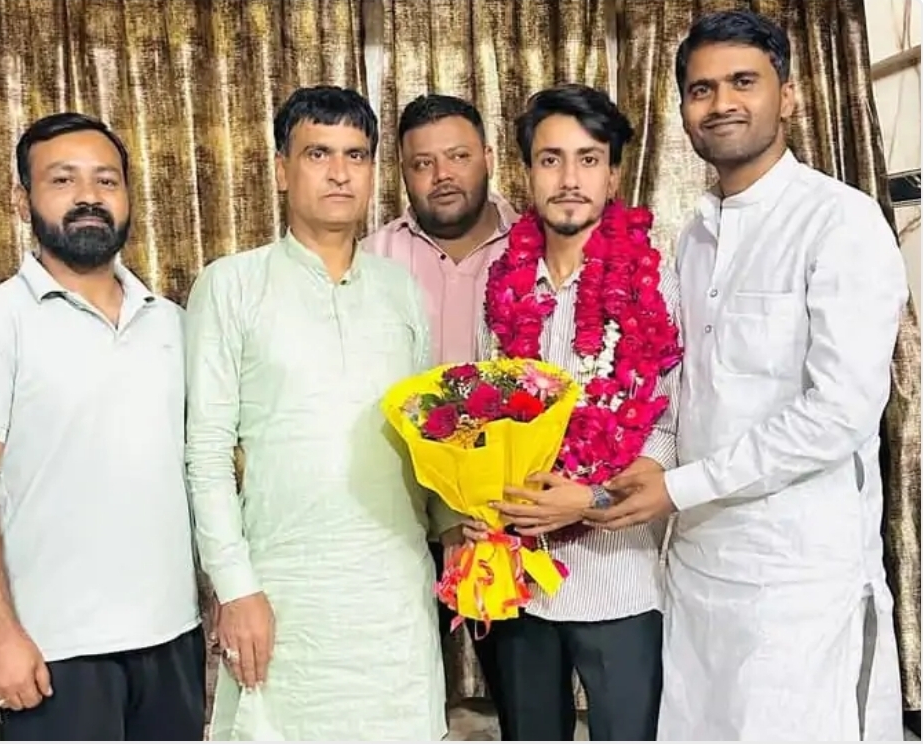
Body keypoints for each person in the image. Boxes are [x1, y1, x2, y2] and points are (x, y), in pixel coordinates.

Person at [592, 10, 908, 740]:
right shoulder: (694, 237)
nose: (722, 103)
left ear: (788, 95)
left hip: (802, 582)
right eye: (701, 89)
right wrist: (652, 466)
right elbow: (686, 390)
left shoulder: (840, 222)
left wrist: (679, 487)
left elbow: (840, 413)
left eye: (743, 82)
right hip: (699, 570)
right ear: (683, 109)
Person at [185, 85, 459, 740]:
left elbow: (427, 438)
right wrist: (235, 587)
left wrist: (454, 535)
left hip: (394, 594)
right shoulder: (232, 284)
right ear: (282, 170)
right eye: (318, 154)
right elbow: (206, 452)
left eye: (355, 155)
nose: (340, 173)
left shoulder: (400, 290)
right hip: (282, 591)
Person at [0, 113, 204, 740]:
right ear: (21, 200)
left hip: (174, 639)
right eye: (63, 179)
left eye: (106, 180)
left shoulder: (174, 324)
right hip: (53, 651)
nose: (89, 196)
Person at [472, 84, 682, 741]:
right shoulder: (503, 283)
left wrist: (587, 498)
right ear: (527, 173)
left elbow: (670, 427)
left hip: (619, 580)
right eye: (551, 159)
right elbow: (483, 417)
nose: (569, 179)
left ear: (613, 174)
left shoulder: (655, 280)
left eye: (588, 159)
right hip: (522, 579)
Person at [362, 93, 517, 730]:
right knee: (396, 691)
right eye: (423, 163)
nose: (442, 174)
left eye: (457, 156)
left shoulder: (534, 246)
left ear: (488, 157)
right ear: (402, 173)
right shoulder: (372, 258)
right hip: (397, 513)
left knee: (522, 694)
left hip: (506, 513)